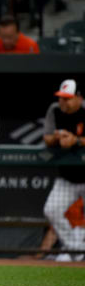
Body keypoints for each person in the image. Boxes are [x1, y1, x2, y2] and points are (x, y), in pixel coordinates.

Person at [43, 79, 85, 261]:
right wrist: (58, 137)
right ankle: (75, 249)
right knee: (51, 210)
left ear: (79, 98)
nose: (63, 102)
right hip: (67, 176)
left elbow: (76, 140)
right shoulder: (55, 110)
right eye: (61, 98)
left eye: (68, 99)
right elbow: (47, 138)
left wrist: (76, 140)